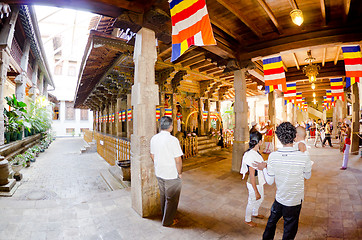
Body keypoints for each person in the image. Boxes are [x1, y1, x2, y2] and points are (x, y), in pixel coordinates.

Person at [253, 122, 312, 240]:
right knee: (289, 229)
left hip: (280, 198)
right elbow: (307, 175)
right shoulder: (303, 156)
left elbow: (270, 181)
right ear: (294, 136)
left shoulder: (273, 156)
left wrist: (264, 167)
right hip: (295, 200)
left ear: (279, 138)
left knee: (271, 222)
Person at [150, 116, 183, 227]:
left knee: (164, 196)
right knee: (172, 199)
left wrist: (159, 164)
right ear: (170, 127)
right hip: (171, 174)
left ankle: (164, 215)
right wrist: (179, 173)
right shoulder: (173, 140)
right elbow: (178, 160)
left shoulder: (154, 138)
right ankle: (168, 221)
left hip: (159, 172)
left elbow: (152, 155)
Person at [240, 131, 266, 227]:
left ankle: (255, 213)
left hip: (258, 180)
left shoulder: (255, 152)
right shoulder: (251, 155)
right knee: (252, 200)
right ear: (259, 142)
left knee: (261, 198)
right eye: (261, 140)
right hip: (253, 182)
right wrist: (255, 191)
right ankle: (247, 219)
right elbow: (252, 175)